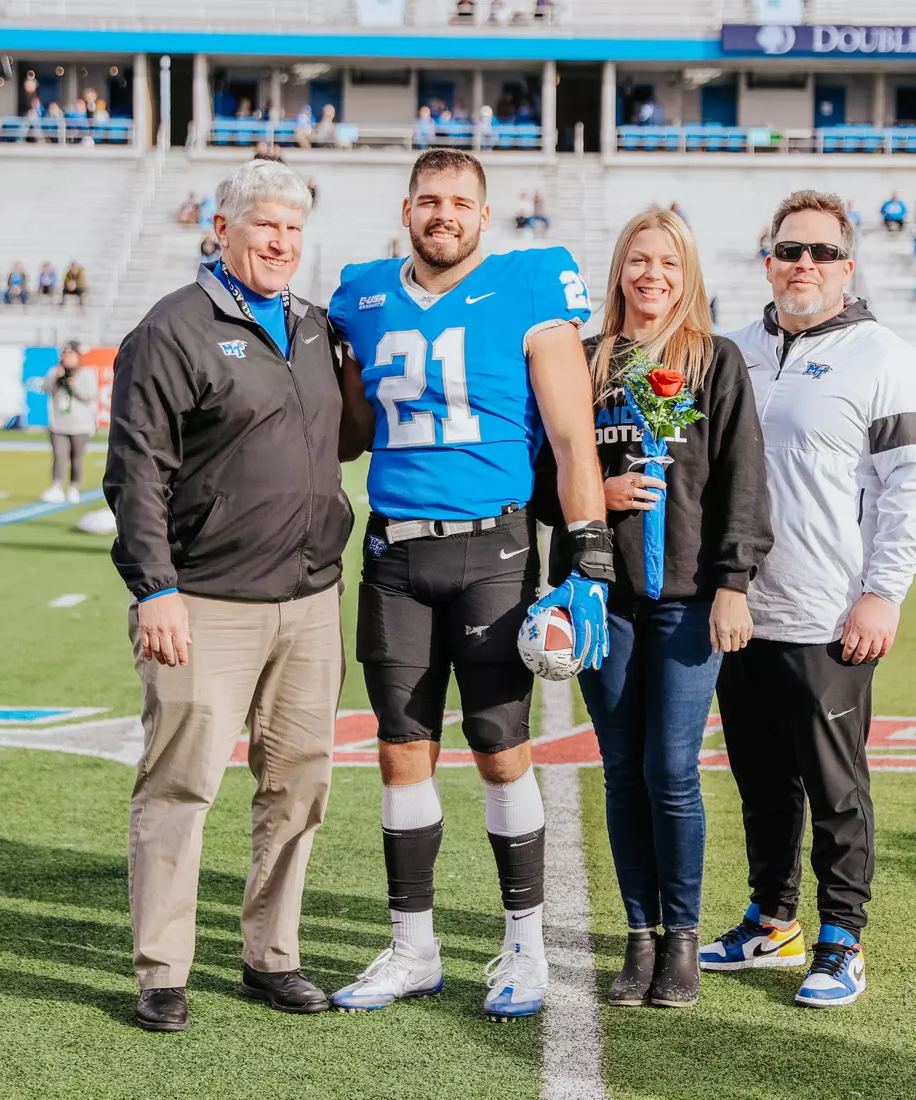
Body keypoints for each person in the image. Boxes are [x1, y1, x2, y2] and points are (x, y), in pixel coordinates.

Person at [326, 149, 610, 1020]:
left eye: (460, 202)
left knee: (498, 744)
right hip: (394, 557)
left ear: (485, 216)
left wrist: (590, 557)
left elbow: (570, 437)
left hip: (493, 552)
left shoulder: (530, 284)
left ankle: (524, 945)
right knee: (400, 748)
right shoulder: (361, 294)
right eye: (429, 201)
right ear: (405, 209)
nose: (443, 215)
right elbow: (347, 436)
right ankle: (413, 947)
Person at [102, 159, 349, 1034]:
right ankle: (163, 969)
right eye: (264, 227)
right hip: (205, 599)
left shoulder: (317, 328)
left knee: (298, 786)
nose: (281, 243)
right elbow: (136, 471)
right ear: (222, 229)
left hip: (311, 600)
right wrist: (155, 587)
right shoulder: (174, 328)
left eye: (293, 229)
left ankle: (270, 954)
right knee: (181, 786)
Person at [533, 207, 771, 1011]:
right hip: (603, 601)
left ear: (688, 274)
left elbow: (743, 479)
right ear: (618, 271)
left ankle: (680, 939)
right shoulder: (585, 360)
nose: (653, 276)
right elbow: (540, 483)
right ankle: (637, 936)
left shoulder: (716, 360)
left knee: (671, 770)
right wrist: (592, 494)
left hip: (689, 601)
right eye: (639, 260)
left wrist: (734, 583)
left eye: (668, 263)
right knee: (622, 773)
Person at [711, 189, 916, 1009]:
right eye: (788, 250)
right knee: (760, 780)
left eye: (820, 253)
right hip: (737, 610)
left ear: (847, 266)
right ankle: (772, 921)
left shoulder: (888, 357)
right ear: (767, 259)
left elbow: (912, 488)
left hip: (826, 611)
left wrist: (882, 593)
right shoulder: (729, 348)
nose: (802, 264)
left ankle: (843, 937)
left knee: (836, 787)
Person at [39, 340, 97, 504]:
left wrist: (74, 385)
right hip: (59, 422)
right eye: (65, 354)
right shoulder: (55, 371)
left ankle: (74, 487)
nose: (67, 358)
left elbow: (89, 395)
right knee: (59, 455)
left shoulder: (85, 373)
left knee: (76, 457)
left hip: (80, 424)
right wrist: (55, 378)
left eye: (71, 354)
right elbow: (45, 388)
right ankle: (56, 486)